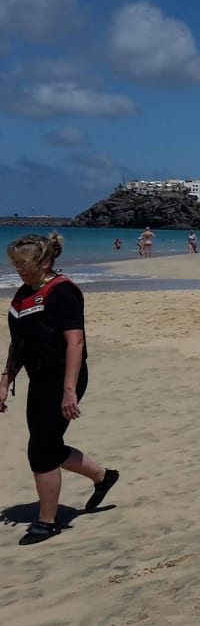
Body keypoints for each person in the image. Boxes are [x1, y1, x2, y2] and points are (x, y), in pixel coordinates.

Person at [2, 233, 119, 545]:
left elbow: (75, 343)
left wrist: (69, 390)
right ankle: (103, 476)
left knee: (40, 451)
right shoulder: (23, 294)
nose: (19, 269)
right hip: (39, 378)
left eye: (25, 264)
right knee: (48, 445)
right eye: (15, 264)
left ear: (45, 262)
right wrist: (5, 382)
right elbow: (18, 344)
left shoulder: (63, 292)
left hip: (65, 377)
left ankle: (47, 522)